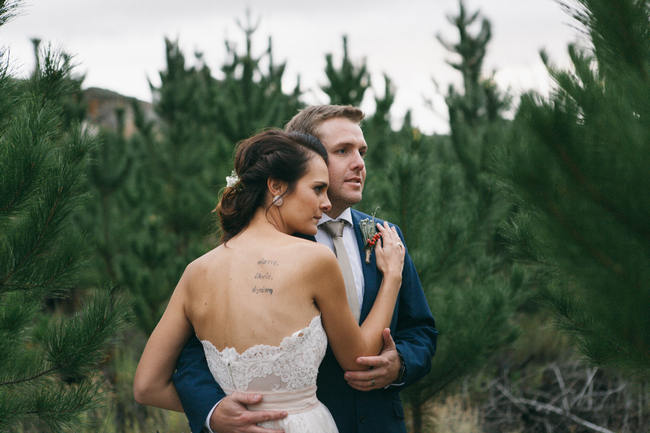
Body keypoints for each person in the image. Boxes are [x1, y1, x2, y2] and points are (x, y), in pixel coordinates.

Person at [172, 105, 438, 433]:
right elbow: (195, 352)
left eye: (362, 151)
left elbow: (421, 330)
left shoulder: (384, 236)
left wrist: (400, 365)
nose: (359, 163)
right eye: (343, 151)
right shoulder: (261, 244)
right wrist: (212, 410)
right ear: (304, 156)